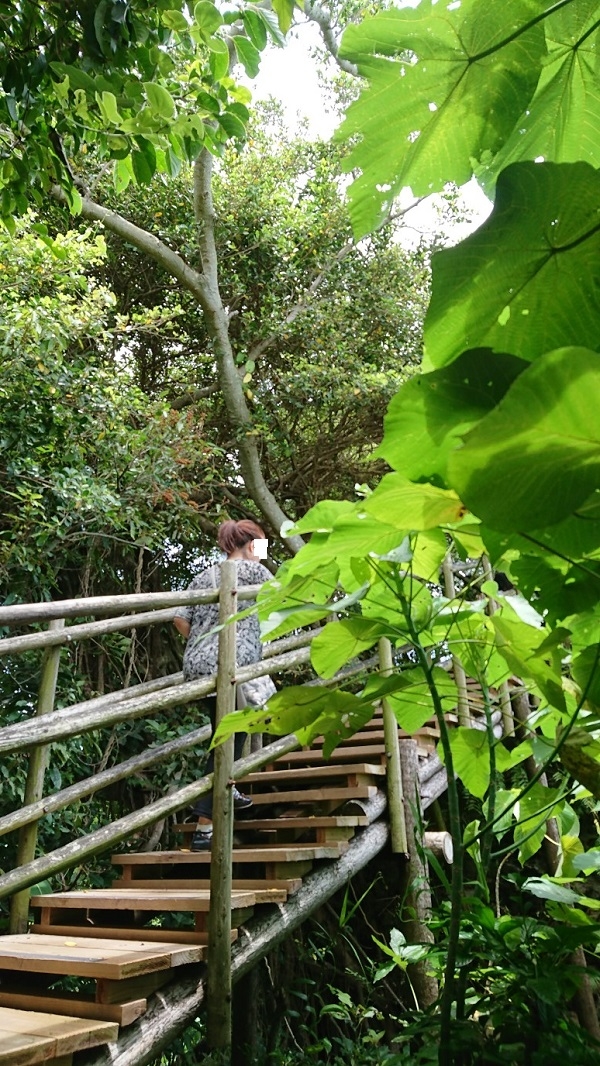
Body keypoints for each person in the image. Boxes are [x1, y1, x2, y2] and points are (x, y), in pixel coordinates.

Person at [173, 519, 275, 851]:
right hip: (229, 665)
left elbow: (179, 619)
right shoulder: (254, 572)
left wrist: (204, 644)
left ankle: (224, 795)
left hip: (197, 665)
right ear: (249, 545)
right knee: (236, 727)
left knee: (227, 731)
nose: (262, 553)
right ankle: (204, 828)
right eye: (261, 546)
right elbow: (282, 598)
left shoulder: (204, 575)